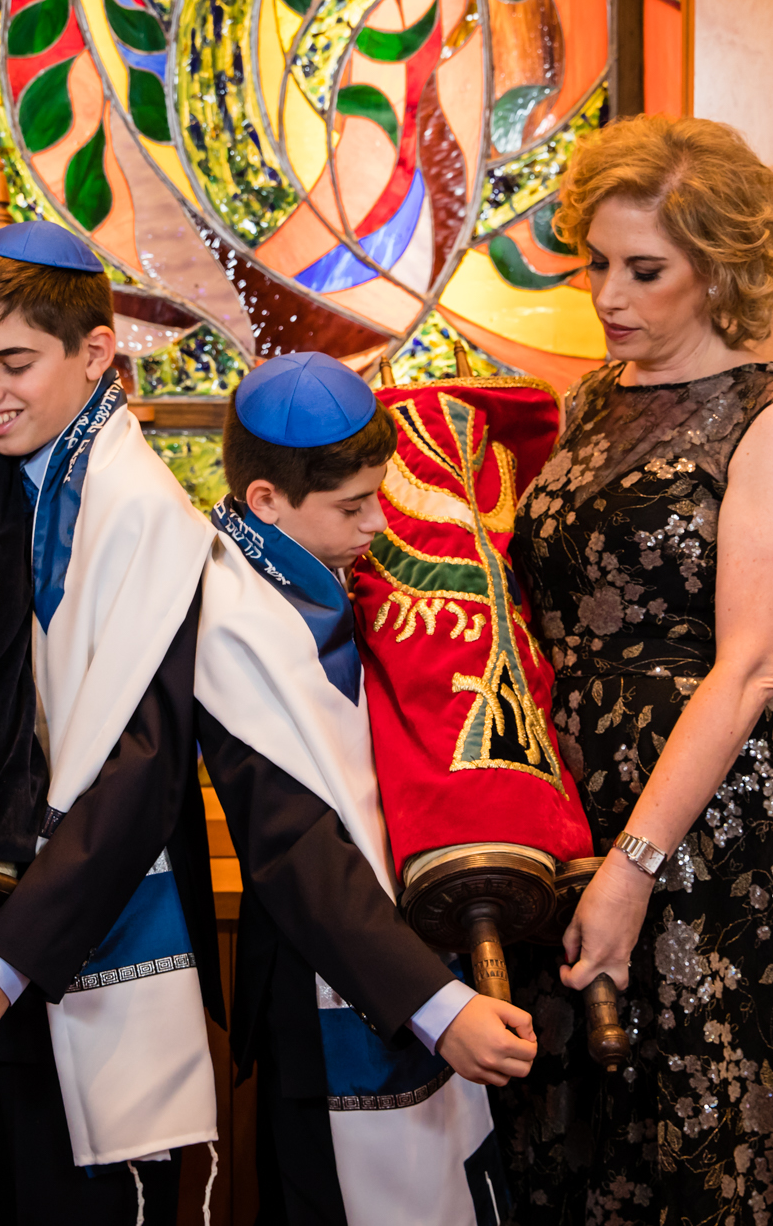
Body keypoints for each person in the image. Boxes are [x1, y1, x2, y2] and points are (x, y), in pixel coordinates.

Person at [496, 116, 773, 1224]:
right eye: (596, 264)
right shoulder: (588, 402)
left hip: (709, 821)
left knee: (715, 1126)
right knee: (580, 1133)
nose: (607, 294)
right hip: (576, 801)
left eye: (643, 270)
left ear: (716, 269)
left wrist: (631, 866)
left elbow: (752, 668)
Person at [0, 220, 223, 1224]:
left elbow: (139, 774)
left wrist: (4, 960)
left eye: (14, 362)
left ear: (96, 353)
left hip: (77, 934)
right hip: (13, 929)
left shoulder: (138, 510)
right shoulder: (26, 479)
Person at [195, 351, 537, 1224]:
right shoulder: (227, 619)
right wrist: (435, 1003)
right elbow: (294, 851)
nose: (378, 523)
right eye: (353, 506)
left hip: (406, 950)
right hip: (325, 996)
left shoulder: (325, 570)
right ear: (265, 501)